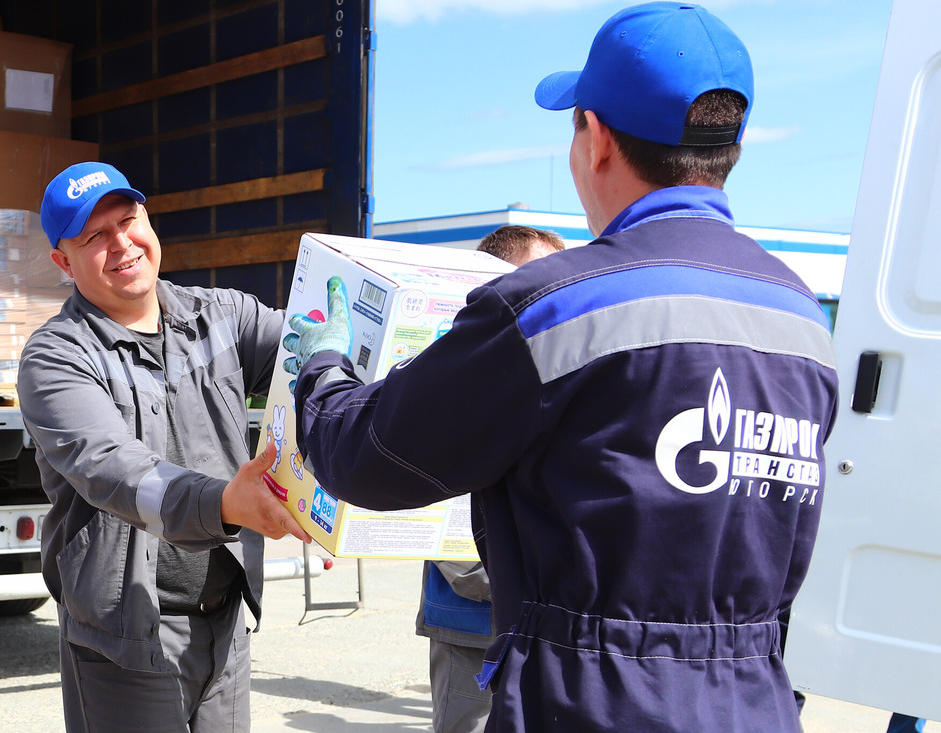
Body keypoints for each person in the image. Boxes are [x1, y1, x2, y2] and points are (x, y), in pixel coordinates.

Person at [284, 3, 839, 731]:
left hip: (592, 699)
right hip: (754, 698)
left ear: (598, 138)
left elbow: (369, 458)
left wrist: (323, 365)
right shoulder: (802, 318)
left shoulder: (551, 309)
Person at [17, 161, 311, 733]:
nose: (121, 244)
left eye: (128, 221)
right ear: (63, 260)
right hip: (126, 642)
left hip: (225, 623)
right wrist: (227, 503)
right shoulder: (56, 357)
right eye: (94, 237)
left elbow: (311, 357)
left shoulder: (221, 316)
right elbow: (114, 471)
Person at [419, 225, 565, 733]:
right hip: (472, 627)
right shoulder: (449, 373)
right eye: (540, 277)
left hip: (546, 630)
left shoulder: (558, 373)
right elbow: (435, 518)